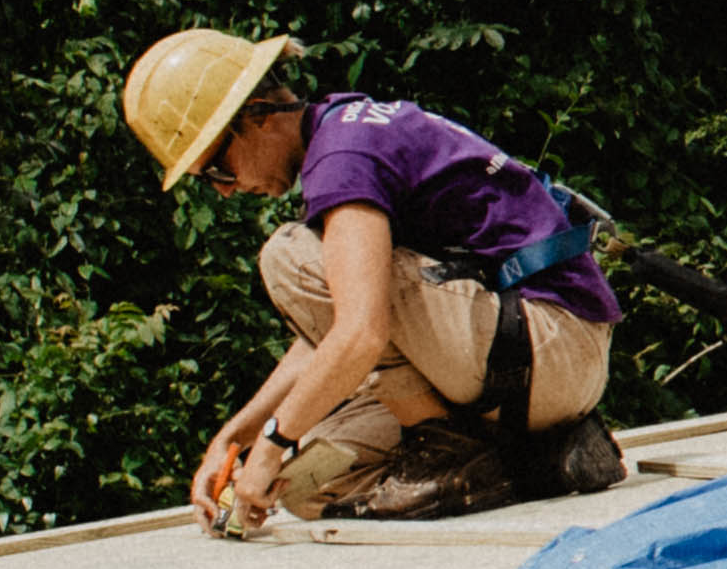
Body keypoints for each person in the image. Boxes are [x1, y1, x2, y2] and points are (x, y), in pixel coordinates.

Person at [126, 27, 630, 527]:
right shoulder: (345, 132)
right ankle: (542, 459)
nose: (224, 190)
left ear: (256, 115)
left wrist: (271, 444)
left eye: (217, 168)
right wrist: (237, 439)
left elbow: (360, 333)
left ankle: (447, 452)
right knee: (307, 480)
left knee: (288, 256)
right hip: (537, 359)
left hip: (549, 345)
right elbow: (332, 331)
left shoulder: (343, 160)